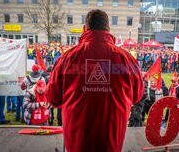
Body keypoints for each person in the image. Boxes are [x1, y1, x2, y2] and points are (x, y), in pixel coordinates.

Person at [46, 9, 144, 152]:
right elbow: (136, 96)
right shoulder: (127, 60)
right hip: (112, 142)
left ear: (84, 29)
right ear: (108, 30)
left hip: (76, 142)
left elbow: (53, 98)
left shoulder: (66, 58)